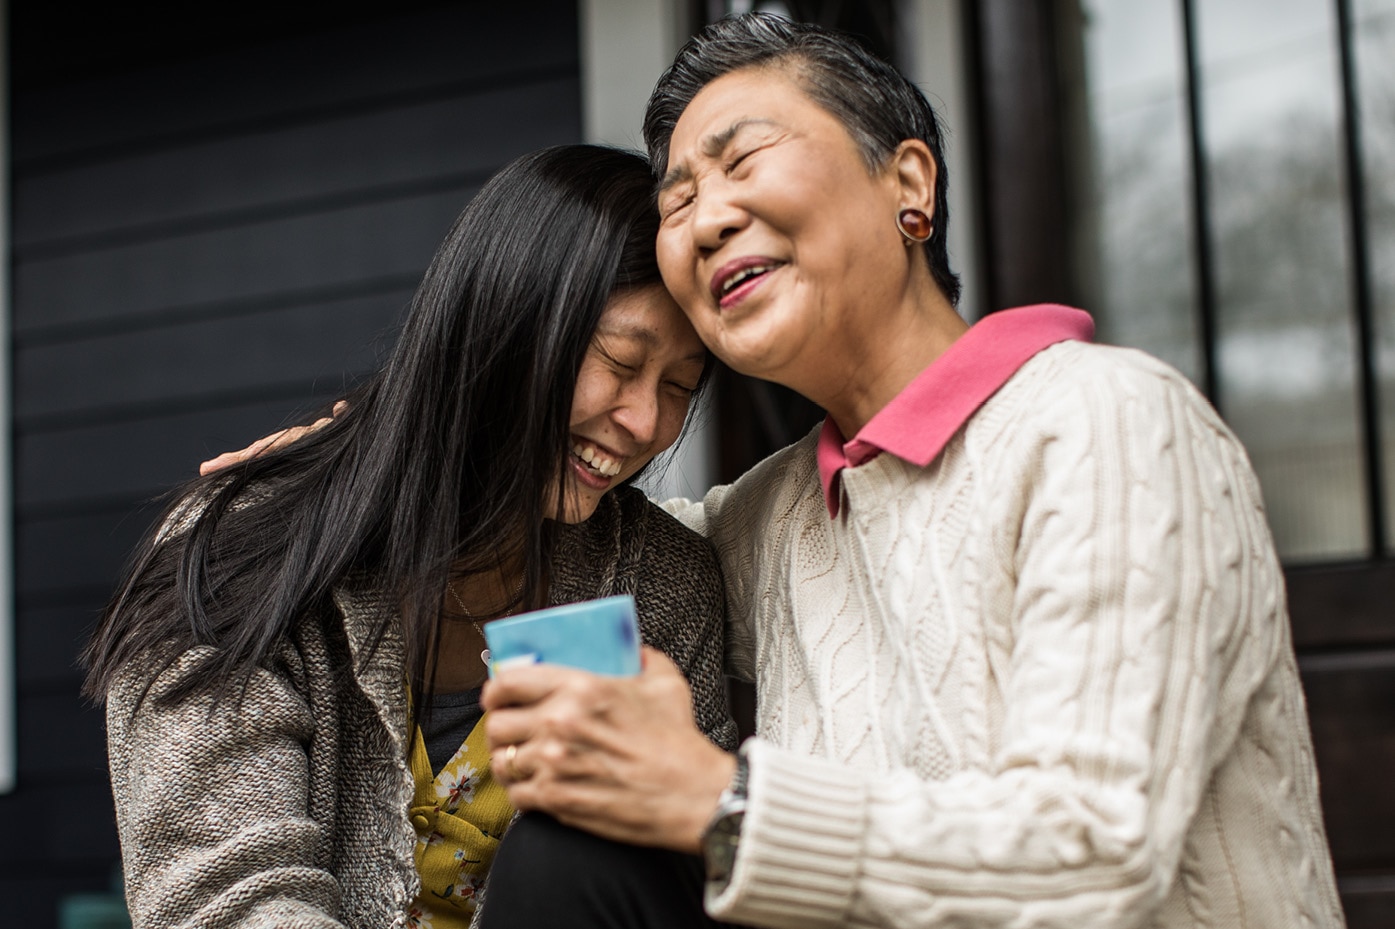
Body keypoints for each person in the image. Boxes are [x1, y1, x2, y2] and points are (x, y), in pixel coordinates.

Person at [473, 13, 1347, 929]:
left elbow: (1092, 849)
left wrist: (719, 801)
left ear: (910, 184)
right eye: (677, 201)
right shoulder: (774, 516)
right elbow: (571, 521)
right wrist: (343, 461)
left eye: (741, 162)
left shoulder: (1106, 421)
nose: (708, 218)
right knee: (567, 849)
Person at [83, 144, 738, 929]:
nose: (646, 423)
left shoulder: (658, 583)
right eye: (618, 361)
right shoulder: (242, 553)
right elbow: (225, 898)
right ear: (503, 323)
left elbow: (685, 881)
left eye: (678, 386)